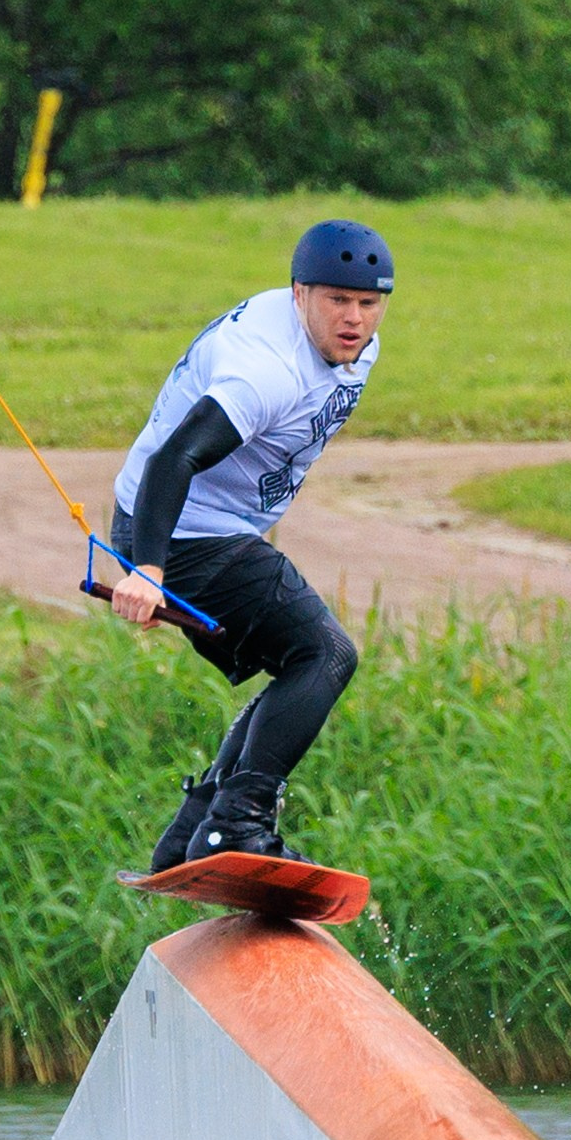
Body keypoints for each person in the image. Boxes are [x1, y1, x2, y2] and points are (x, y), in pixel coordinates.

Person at [105, 219, 392, 869]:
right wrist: (147, 569)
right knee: (326, 654)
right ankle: (236, 823)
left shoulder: (352, 344)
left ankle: (193, 832)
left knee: (300, 665)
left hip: (209, 529)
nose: (353, 318)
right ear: (299, 294)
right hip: (180, 531)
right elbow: (172, 460)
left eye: (367, 303)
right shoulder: (263, 375)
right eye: (335, 300)